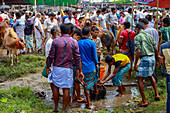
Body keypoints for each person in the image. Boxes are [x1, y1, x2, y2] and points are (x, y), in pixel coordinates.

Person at [46, 24, 81, 112]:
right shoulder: (74, 42)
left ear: (60, 31)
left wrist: (48, 66)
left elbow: (50, 55)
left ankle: (56, 106)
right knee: (66, 88)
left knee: (55, 87)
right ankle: (64, 109)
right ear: (69, 31)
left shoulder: (56, 41)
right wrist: (78, 70)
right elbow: (77, 57)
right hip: (68, 68)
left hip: (57, 67)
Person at [134, 22, 160, 107]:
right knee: (150, 75)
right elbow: (156, 49)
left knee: (140, 79)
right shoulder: (150, 36)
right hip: (152, 57)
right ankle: (156, 94)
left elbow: (138, 51)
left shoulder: (137, 37)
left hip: (145, 58)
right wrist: (156, 60)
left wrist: (135, 64)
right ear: (144, 28)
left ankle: (144, 101)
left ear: (137, 29)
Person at [78, 26, 98, 109]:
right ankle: (90, 102)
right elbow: (95, 55)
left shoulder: (78, 42)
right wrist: (96, 63)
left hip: (82, 68)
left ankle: (88, 101)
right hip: (91, 66)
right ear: (89, 34)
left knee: (85, 85)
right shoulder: (91, 42)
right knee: (91, 82)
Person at [141, 18, 159, 83]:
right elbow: (158, 41)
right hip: (155, 50)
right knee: (152, 66)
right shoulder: (155, 30)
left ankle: (154, 82)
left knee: (149, 67)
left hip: (148, 52)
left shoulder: (145, 32)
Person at [159, 40, 170, 113]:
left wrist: (166, 67)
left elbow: (161, 61)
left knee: (169, 95)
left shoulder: (163, 46)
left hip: (169, 73)